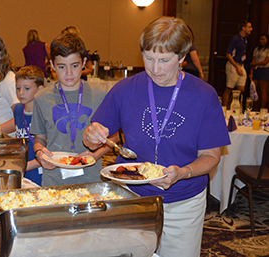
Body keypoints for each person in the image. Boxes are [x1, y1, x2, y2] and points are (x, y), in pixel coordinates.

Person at [82, 17, 230, 257]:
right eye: (148, 58)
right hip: (132, 198)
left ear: (182, 57)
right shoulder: (125, 89)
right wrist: (91, 135)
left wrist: (182, 172)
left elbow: (212, 156)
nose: (155, 69)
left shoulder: (204, 95)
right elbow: (91, 139)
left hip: (183, 202)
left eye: (164, 60)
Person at [30, 32, 111, 187]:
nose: (69, 73)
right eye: (61, 67)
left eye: (74, 66)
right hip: (53, 179)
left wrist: (95, 155)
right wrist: (39, 154)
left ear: (84, 63)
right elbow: (39, 139)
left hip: (91, 179)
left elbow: (112, 139)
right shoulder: (41, 98)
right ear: (52, 65)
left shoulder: (99, 94)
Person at [12, 66, 45, 185]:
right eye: (18, 88)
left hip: (38, 170)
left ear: (40, 89)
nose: (21, 93)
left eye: (26, 88)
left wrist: (26, 166)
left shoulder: (45, 114)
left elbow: (50, 150)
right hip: (22, 168)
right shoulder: (17, 109)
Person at [222, 21, 253, 109]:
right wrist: (236, 67)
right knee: (229, 88)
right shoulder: (235, 39)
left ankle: (233, 104)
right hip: (233, 65)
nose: (251, 29)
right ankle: (225, 108)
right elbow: (228, 54)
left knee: (241, 89)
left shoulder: (245, 39)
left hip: (241, 64)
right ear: (244, 28)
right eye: (249, 27)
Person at [249, 33, 269, 109]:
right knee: (254, 89)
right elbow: (253, 61)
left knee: (262, 90)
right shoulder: (256, 49)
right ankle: (255, 108)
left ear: (267, 40)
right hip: (256, 70)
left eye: (263, 39)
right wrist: (251, 72)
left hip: (264, 70)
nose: (262, 41)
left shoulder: (267, 50)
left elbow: (265, 62)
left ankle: (262, 108)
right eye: (260, 39)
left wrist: (254, 63)